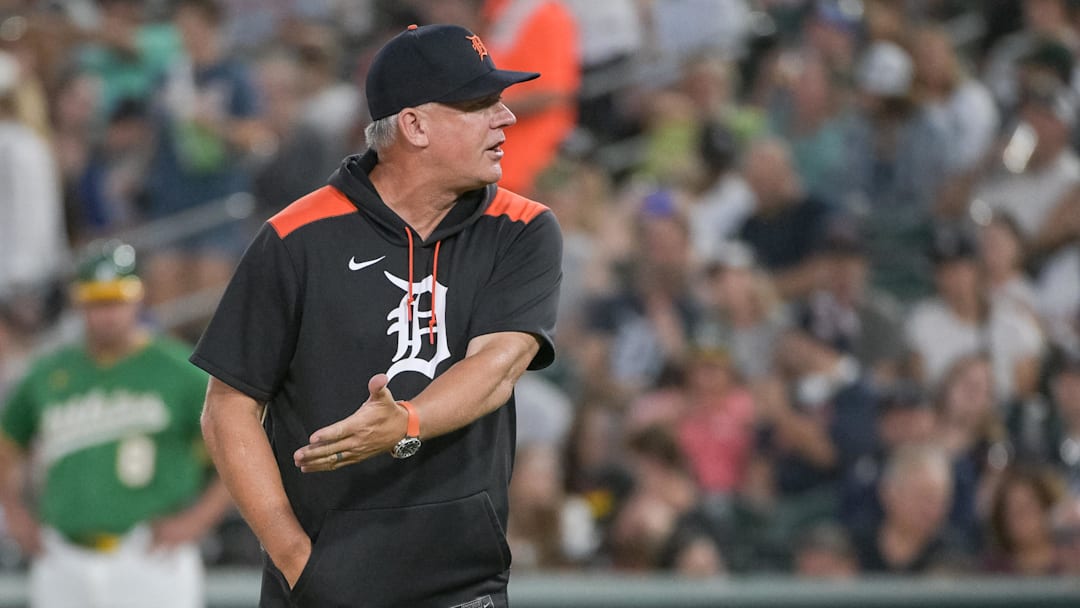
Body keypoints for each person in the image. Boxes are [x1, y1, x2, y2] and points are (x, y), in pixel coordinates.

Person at [193, 23, 562, 608]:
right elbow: (229, 408)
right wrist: (297, 562)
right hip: (322, 581)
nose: (507, 118)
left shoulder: (522, 228)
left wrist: (406, 422)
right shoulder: (294, 237)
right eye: (479, 104)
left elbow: (499, 363)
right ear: (414, 125)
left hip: (464, 583)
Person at [0, 241, 232, 608]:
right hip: (62, 555)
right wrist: (14, 513)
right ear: (78, 303)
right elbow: (8, 441)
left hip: (149, 555)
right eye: (96, 302)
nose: (107, 314)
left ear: (139, 299)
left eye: (116, 300)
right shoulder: (50, 372)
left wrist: (198, 520)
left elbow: (238, 447)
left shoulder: (176, 370)